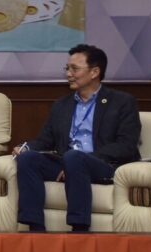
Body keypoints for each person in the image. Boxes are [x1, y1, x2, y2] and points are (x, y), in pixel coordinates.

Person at [12, 44, 141, 232]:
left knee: (74, 157)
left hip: (103, 164)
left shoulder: (121, 102)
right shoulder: (62, 105)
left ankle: (79, 228)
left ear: (94, 72)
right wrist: (26, 147)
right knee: (28, 159)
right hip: (67, 162)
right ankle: (35, 228)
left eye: (74, 69)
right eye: (67, 68)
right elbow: (45, 140)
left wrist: (82, 160)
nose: (68, 74)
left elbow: (126, 145)